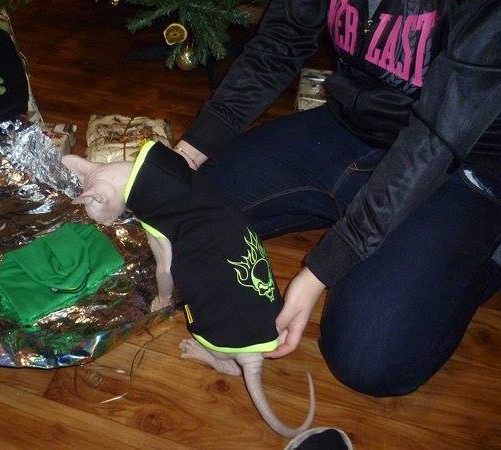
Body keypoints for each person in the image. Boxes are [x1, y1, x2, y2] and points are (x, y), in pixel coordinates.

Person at [172, 0, 501, 397]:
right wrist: (189, 152)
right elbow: (282, 39)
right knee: (174, 213)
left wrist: (323, 268)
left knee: (367, 359)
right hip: (352, 127)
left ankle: (485, 256)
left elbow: (437, 137)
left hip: (459, 158)